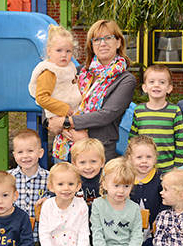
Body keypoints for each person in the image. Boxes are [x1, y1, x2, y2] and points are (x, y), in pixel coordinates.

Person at [48, 20, 136, 162]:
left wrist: (65, 122)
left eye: (108, 38)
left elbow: (105, 115)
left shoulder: (126, 80)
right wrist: (52, 121)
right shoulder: (76, 72)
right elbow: (48, 95)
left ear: (118, 42)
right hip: (65, 150)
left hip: (98, 154)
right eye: (96, 40)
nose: (102, 43)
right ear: (91, 45)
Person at [123, 135, 168, 246]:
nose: (144, 161)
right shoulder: (124, 178)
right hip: (127, 237)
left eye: (148, 157)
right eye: (139, 157)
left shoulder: (161, 179)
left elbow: (166, 203)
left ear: (155, 158)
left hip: (152, 236)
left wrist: (159, 222)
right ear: (129, 158)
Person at [29, 25, 87, 162]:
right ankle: (80, 164)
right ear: (49, 51)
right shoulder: (49, 72)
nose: (64, 55)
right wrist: (64, 109)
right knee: (81, 139)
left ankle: (77, 161)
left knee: (77, 139)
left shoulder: (68, 67)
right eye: (59, 50)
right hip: (60, 113)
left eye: (68, 51)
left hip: (72, 112)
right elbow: (41, 97)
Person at [129, 65, 183, 172]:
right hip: (143, 167)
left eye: (162, 82)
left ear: (169, 88)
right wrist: (131, 161)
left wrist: (177, 166)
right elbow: (132, 139)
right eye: (151, 81)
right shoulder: (139, 111)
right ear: (144, 87)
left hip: (168, 168)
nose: (156, 85)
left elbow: (180, 140)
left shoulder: (174, 111)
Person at [70, 137, 106, 207]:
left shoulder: (107, 179)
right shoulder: (71, 180)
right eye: (82, 162)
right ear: (75, 164)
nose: (88, 167)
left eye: (93, 161)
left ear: (102, 162)